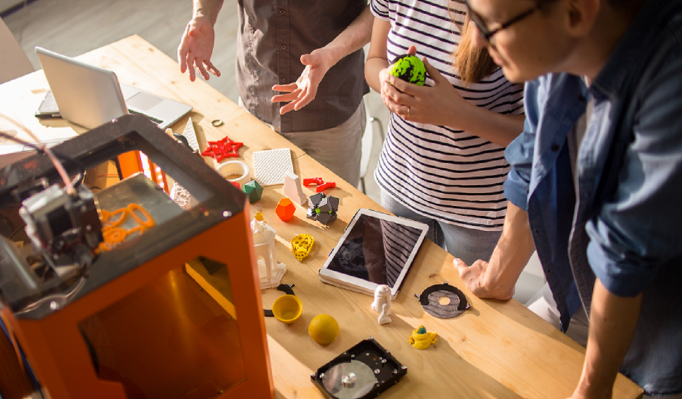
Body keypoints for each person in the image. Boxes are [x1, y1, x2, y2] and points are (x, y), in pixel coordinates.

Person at [453, 0, 682, 397]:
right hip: (585, 299)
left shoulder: (672, 79)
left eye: (489, 25)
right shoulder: (555, 53)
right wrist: (499, 275)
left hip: (662, 336)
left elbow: (622, 257)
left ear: (576, 13)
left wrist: (593, 389)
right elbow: (531, 162)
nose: (474, 39)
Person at [365, 0, 525, 265]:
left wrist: (458, 114)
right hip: (401, 184)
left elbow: (537, 134)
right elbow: (374, 60)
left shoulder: (513, 11)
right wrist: (385, 82)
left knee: (470, 305)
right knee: (399, 293)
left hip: (478, 209)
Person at [176, 0, 373, 185]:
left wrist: (333, 53)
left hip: (331, 108)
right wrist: (203, 15)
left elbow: (383, 11)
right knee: (264, 210)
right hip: (257, 101)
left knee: (339, 213)